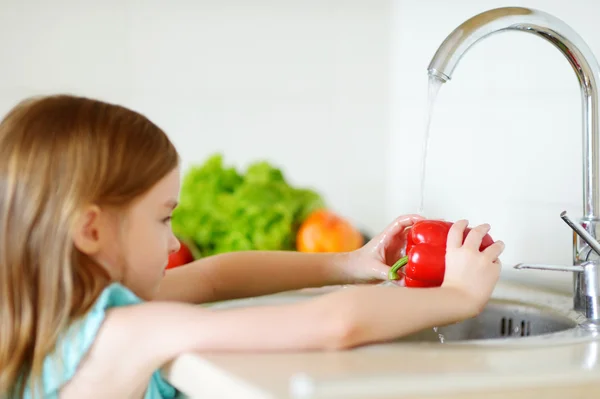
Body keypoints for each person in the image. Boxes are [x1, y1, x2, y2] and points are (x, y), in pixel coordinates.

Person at [0, 94, 505, 399]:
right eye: (162, 217)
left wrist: (351, 262)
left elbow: (216, 276)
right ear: (90, 230)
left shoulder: (56, 319)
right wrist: (458, 297)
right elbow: (331, 326)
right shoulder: (124, 330)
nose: (174, 240)